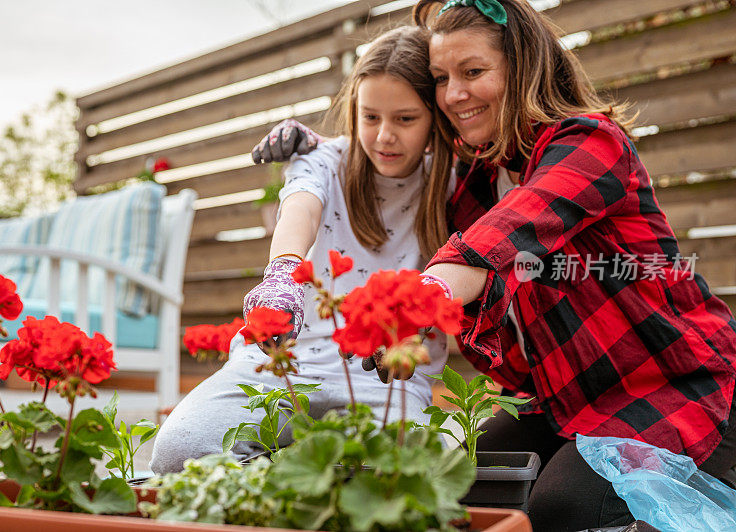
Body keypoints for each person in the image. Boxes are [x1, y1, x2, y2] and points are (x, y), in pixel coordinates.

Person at [412, 0, 736, 530]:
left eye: (473, 72)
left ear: (521, 69)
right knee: (458, 483)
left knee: (564, 510)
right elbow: (391, 141)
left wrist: (417, 301)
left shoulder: (590, 142)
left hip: (677, 380)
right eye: (442, 78)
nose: (453, 95)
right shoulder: (474, 184)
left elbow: (512, 232)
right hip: (566, 395)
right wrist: (321, 154)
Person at [149, 25, 455, 474]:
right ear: (353, 112)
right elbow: (301, 209)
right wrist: (282, 272)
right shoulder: (324, 160)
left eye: (405, 119)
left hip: (385, 375)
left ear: (434, 118)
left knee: (410, 476)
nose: (385, 136)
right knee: (181, 452)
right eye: (370, 117)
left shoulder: (451, 180)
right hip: (282, 362)